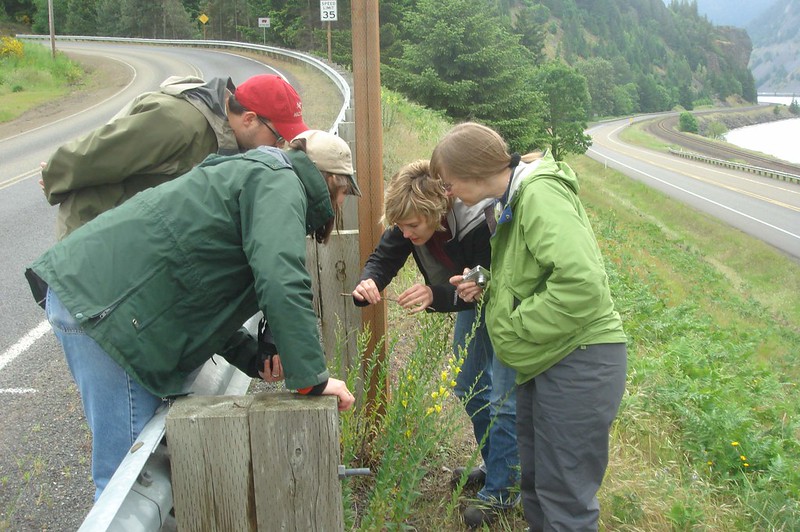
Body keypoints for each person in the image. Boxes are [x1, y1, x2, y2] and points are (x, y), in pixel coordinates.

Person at [25, 130, 360, 500]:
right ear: (330, 180)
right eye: (344, 191)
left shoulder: (256, 172)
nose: (340, 203)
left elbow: (200, 287)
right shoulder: (280, 184)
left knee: (138, 474)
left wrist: (252, 356)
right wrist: (311, 379)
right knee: (129, 484)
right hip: (109, 311)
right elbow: (281, 277)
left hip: (106, 299)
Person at [430, 122, 627, 531]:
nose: (447, 195)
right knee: (537, 485)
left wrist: (514, 324)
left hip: (579, 359)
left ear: (471, 170)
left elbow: (580, 284)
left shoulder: (539, 193)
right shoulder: (514, 198)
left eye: (448, 183)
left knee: (564, 498)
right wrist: (483, 281)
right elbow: (534, 274)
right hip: (548, 357)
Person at [350, 160, 519, 527]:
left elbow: (488, 275)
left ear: (436, 212)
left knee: (504, 396)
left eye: (413, 226)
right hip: (469, 301)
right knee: (469, 384)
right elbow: (384, 258)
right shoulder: (407, 220)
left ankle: (504, 492)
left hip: (504, 303)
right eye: (401, 226)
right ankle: (496, 468)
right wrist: (369, 283)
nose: (406, 234)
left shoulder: (476, 218)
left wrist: (435, 293)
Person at [41, 73, 309, 240]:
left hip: (130, 239)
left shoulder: (225, 138)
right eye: (278, 135)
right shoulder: (182, 123)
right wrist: (55, 175)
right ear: (250, 119)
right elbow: (104, 151)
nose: (280, 144)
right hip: (93, 234)